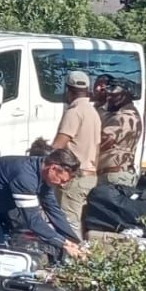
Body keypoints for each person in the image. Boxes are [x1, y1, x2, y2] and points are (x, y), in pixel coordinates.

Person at [51, 71, 102, 235]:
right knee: (82, 222)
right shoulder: (93, 113)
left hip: (75, 177)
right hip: (90, 176)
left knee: (68, 223)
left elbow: (59, 145)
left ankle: (72, 259)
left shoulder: (74, 112)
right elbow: (98, 147)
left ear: (68, 90)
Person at [98, 79, 143, 187]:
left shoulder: (124, 117)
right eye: (108, 95)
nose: (109, 98)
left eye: (114, 95)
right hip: (118, 174)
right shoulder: (126, 114)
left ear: (126, 96)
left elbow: (106, 141)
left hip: (114, 176)